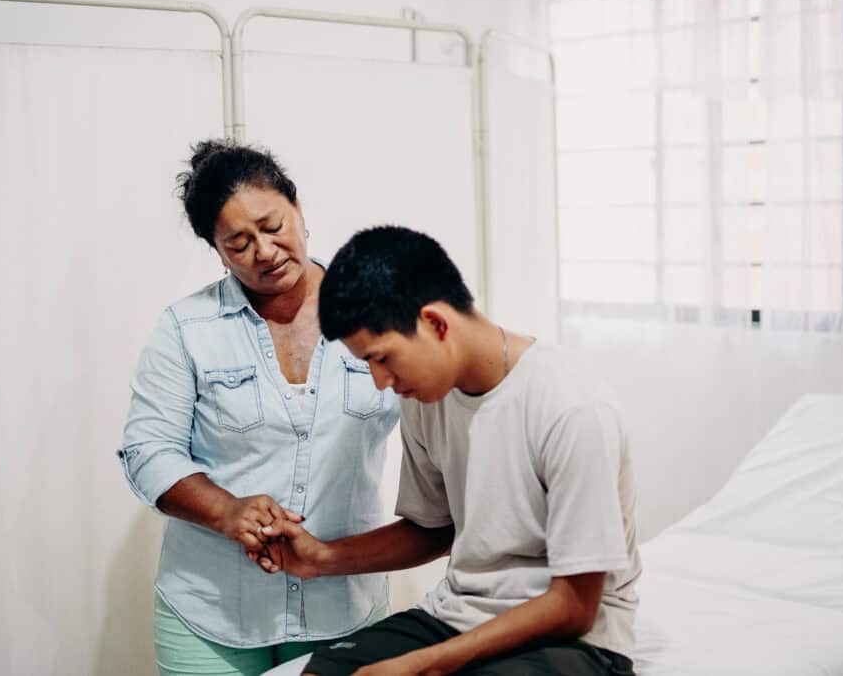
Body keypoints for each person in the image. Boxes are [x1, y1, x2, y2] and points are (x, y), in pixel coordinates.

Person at [255, 226, 641, 676]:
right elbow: (434, 529)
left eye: (382, 358)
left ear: (435, 323)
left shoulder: (571, 408)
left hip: (575, 638)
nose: (380, 381)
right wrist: (322, 557)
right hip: (456, 616)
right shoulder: (425, 399)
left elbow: (575, 605)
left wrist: (427, 666)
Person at [118, 141, 399, 676]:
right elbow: (147, 451)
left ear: (298, 208)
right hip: (210, 610)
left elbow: (439, 423)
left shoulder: (379, 312)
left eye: (273, 226)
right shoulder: (187, 329)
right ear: (217, 251)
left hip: (343, 604)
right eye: (239, 243)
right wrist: (228, 511)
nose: (265, 251)